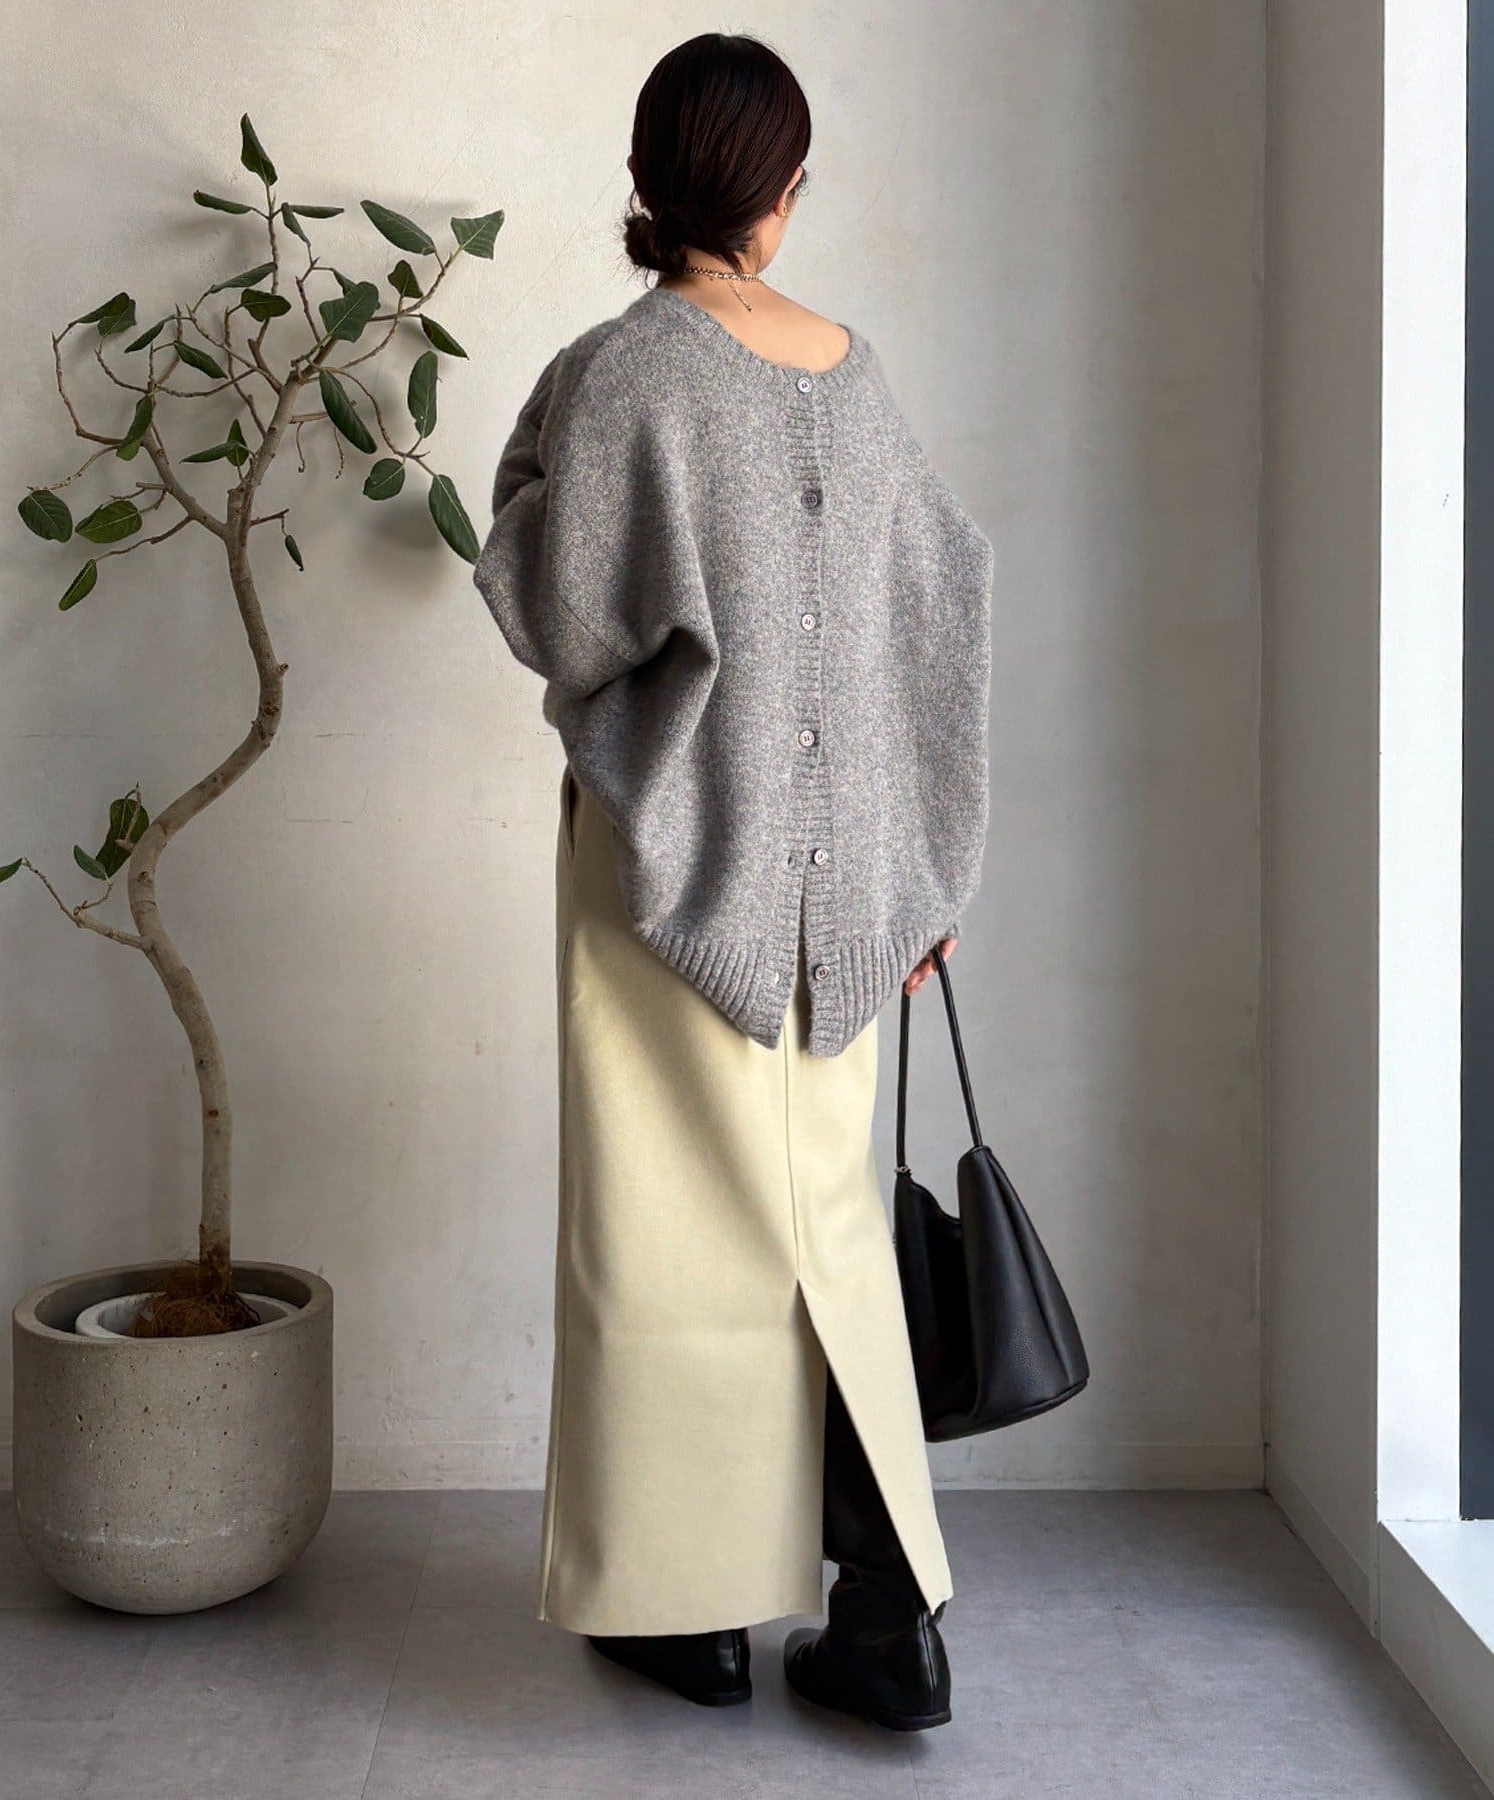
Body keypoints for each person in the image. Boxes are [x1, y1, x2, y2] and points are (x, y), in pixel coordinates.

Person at [473, 31, 993, 1734]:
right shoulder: (858, 373)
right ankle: (894, 1617)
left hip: (667, 876)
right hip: (837, 908)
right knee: (826, 1237)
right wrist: (914, 882)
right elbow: (926, 626)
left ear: (648, 180)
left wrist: (530, 473)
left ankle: (687, 1617)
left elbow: (559, 613)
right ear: (779, 192)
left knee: (664, 1243)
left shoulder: (621, 372)